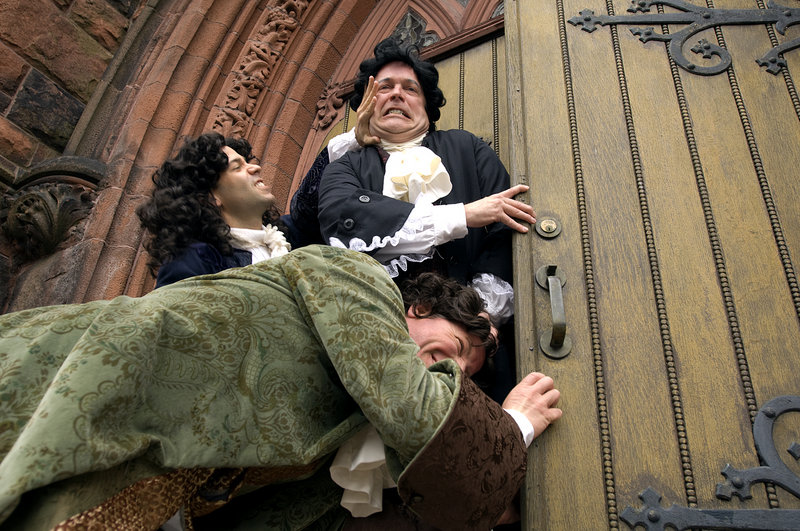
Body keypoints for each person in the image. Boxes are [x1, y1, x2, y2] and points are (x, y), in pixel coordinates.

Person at [0, 245, 562, 530]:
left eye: (465, 373)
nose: (454, 375)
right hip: (74, 379)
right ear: (419, 307)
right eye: (457, 351)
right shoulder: (357, 278)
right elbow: (417, 413)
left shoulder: (350, 434)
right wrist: (512, 426)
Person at [316, 37, 536, 399]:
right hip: (379, 340)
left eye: (410, 88)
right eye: (383, 88)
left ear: (427, 107)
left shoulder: (467, 149)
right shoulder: (345, 166)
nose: (396, 94)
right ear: (367, 107)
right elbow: (343, 221)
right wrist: (461, 215)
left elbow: (503, 233)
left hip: (474, 339)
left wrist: (479, 318)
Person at [136, 132, 295, 288]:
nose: (256, 167)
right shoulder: (194, 262)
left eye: (247, 162)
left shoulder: (290, 236)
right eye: (237, 167)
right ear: (210, 197)